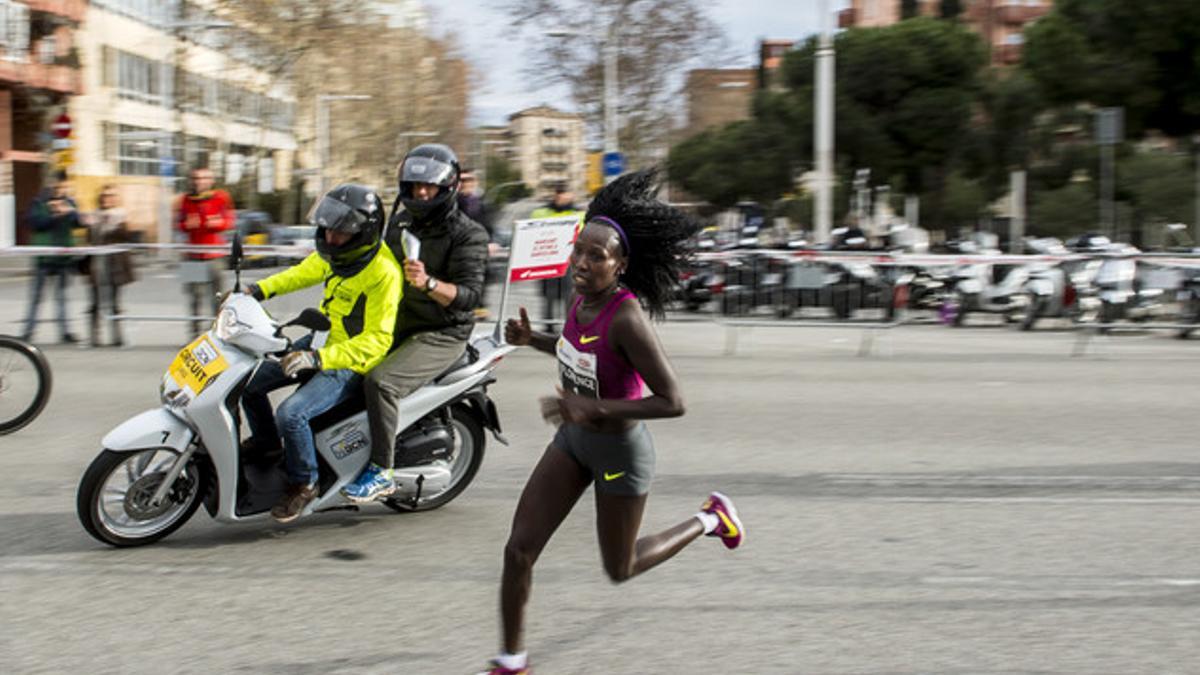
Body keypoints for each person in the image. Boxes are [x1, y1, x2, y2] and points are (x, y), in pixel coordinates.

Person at [477, 170, 745, 675]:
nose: (580, 262)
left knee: (619, 569)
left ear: (620, 266)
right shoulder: (582, 299)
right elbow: (578, 352)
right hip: (574, 441)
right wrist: (531, 339)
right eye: (579, 250)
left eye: (595, 257)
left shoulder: (627, 317)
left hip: (620, 452)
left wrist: (595, 408)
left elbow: (673, 401)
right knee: (518, 550)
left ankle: (711, 518)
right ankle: (512, 661)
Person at [238, 184, 402, 522]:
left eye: (338, 231)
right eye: (326, 228)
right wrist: (257, 290)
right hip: (322, 342)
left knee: (292, 414)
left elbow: (377, 341)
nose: (329, 236)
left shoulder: (383, 273)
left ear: (363, 233)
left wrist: (319, 360)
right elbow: (302, 273)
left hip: (350, 361)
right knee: (249, 382)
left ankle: (304, 483)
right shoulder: (336, 254)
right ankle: (268, 444)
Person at [341, 144, 489, 502]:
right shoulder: (401, 223)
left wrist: (429, 283)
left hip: (442, 332)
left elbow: (470, 296)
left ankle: (380, 471)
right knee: (338, 362)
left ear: (447, 187)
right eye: (414, 186)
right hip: (399, 323)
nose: (421, 193)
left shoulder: (468, 234)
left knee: (381, 383)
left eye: (429, 187)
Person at [22, 172, 81, 344]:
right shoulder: (39, 202)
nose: (60, 189)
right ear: (51, 184)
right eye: (57, 185)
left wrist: (69, 212)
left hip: (63, 259)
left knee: (62, 298)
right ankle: (27, 332)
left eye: (63, 186)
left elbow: (78, 222)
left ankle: (65, 332)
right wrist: (53, 215)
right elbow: (33, 223)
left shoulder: (70, 203)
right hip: (44, 258)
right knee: (36, 298)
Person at [176, 166, 235, 336]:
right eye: (196, 178)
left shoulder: (221, 197)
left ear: (211, 181)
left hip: (214, 256)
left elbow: (229, 221)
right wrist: (186, 225)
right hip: (192, 255)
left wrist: (218, 224)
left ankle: (217, 335)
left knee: (216, 297)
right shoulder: (185, 199)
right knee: (194, 298)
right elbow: (179, 223)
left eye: (203, 178)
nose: (199, 182)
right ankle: (193, 335)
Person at [85, 186, 137, 347]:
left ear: (116, 198)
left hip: (116, 265)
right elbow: (90, 239)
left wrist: (116, 225)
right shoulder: (94, 216)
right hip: (97, 265)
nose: (106, 199)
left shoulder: (121, 216)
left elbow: (128, 238)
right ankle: (94, 337)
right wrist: (95, 225)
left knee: (115, 303)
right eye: (104, 196)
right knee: (95, 303)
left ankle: (117, 337)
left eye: (110, 196)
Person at [530, 185, 581, 330]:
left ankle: (569, 327)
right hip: (548, 261)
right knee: (549, 296)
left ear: (571, 195)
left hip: (569, 262)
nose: (560, 196)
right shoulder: (541, 212)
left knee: (569, 296)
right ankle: (548, 327)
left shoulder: (579, 213)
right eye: (558, 193)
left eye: (564, 193)